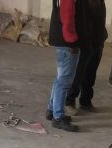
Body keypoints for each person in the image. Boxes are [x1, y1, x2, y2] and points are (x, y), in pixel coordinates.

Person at [47, 0, 88, 132]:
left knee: (60, 79)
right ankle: (58, 117)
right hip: (67, 44)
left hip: (61, 41)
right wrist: (72, 42)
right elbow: (67, 16)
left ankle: (51, 110)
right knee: (64, 81)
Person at [66, 0, 108, 114]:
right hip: (84, 43)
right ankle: (69, 101)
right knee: (79, 74)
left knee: (91, 74)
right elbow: (77, 20)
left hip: (98, 41)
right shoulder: (81, 2)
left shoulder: (100, 2)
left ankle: (85, 102)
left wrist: (102, 37)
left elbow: (101, 20)